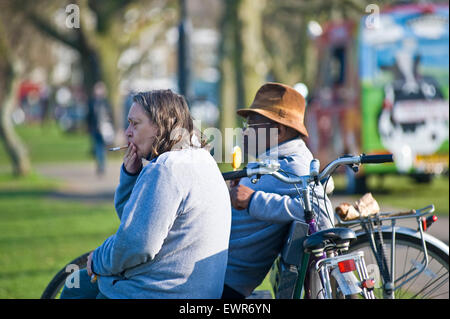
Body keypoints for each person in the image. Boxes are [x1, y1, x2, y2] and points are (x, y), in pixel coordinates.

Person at [61, 89, 231, 299]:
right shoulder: (203, 160)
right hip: (192, 289)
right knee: (80, 285)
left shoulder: (166, 168)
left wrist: (98, 258)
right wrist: (130, 177)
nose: (127, 132)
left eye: (135, 123)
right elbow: (134, 222)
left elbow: (136, 245)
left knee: (75, 287)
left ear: (160, 126)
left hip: (161, 292)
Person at [222, 82, 334, 299]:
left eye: (252, 124)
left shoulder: (294, 165)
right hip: (218, 272)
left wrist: (254, 200)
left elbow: (321, 214)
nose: (245, 131)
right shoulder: (274, 160)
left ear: (279, 131)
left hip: (223, 282)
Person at [87, 82, 114, 176]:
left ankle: (102, 165)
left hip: (104, 129)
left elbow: (110, 115)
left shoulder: (105, 102)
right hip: (95, 129)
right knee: (97, 147)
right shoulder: (92, 102)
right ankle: (100, 165)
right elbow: (89, 116)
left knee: (101, 147)